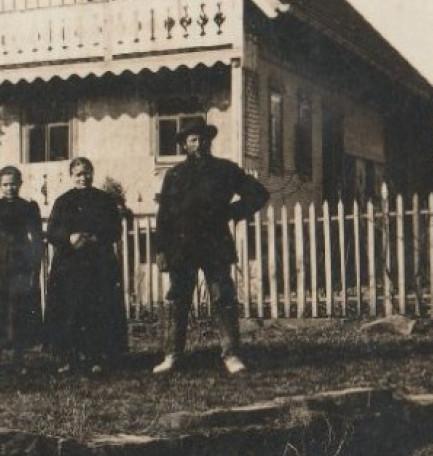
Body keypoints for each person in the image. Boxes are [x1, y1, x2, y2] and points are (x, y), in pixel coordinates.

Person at [152, 117, 270, 375]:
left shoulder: (226, 170)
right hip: (181, 245)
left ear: (210, 141)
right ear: (185, 145)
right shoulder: (174, 175)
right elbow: (165, 216)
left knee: (223, 297)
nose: (200, 143)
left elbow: (259, 193)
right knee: (178, 299)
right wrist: (160, 249)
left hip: (214, 243)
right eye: (193, 139)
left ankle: (231, 355)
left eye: (204, 138)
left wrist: (231, 211)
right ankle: (172, 355)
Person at [44, 156, 129, 374]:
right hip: (69, 265)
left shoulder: (105, 200)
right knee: (70, 310)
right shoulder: (63, 201)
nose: (83, 178)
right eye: (78, 174)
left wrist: (95, 237)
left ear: (92, 173)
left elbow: (115, 230)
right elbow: (52, 231)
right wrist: (69, 237)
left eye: (86, 173)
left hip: (98, 263)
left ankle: (97, 358)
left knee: (98, 310)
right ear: (71, 176)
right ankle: (69, 358)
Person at [0, 166, 46, 368]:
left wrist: (34, 268)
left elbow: (37, 240)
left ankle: (18, 355)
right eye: (5, 184)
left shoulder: (28, 207)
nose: (10, 188)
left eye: (13, 184)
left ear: (20, 184)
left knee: (19, 310)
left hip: (20, 262)